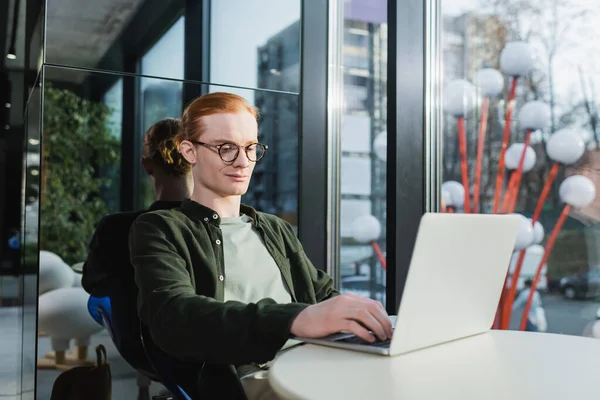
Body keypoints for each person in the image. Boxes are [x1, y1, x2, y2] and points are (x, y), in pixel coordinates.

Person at [128, 92, 393, 399]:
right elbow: (172, 316)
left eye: (251, 148)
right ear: (190, 151)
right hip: (256, 383)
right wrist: (294, 319)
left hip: (317, 367)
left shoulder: (275, 229)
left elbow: (323, 295)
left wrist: (362, 318)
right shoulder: (160, 228)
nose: (242, 162)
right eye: (226, 148)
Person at [82, 117, 193, 365]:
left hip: (140, 349)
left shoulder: (115, 228)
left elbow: (93, 285)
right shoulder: (211, 227)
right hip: (202, 354)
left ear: (146, 165)